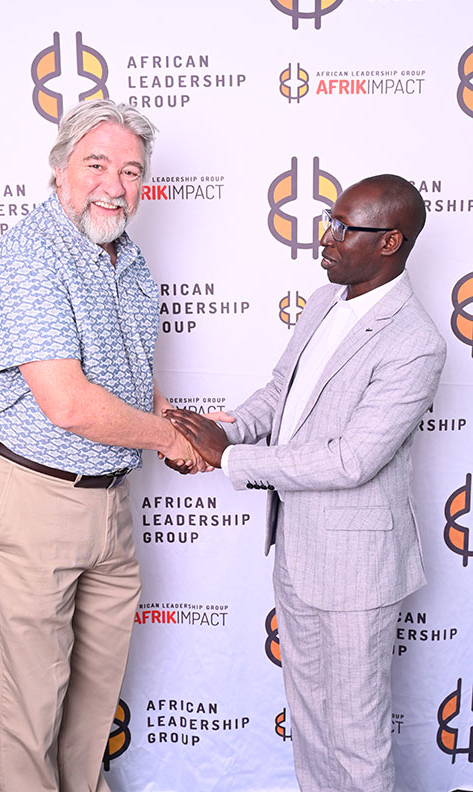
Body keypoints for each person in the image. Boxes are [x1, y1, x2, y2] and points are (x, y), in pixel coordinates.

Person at [166, 175, 446, 792]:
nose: (327, 238)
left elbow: (351, 460)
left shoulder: (415, 342)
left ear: (390, 242)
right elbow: (279, 394)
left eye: (344, 228)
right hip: (297, 550)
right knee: (311, 726)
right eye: (329, 222)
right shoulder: (324, 302)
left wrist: (228, 460)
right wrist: (218, 431)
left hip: (356, 570)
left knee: (356, 739)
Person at [0, 99, 201, 792]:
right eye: (96, 164)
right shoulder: (30, 257)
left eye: (131, 171)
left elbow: (128, 372)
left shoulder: (127, 255)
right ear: (60, 168)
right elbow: (66, 403)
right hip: (31, 492)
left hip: (108, 498)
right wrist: (167, 437)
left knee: (91, 705)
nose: (114, 186)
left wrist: (180, 425)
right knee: (28, 706)